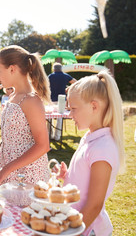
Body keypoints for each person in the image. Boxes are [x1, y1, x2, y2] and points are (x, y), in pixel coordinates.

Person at [56, 71, 124, 235]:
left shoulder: (103, 148)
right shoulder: (91, 137)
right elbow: (86, 182)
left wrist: (72, 233)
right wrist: (68, 177)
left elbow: (94, 204)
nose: (70, 115)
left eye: (73, 109)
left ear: (94, 106)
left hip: (87, 229)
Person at [0, 45, 51, 187]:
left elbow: (43, 145)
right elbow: (13, 138)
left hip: (27, 176)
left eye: (0, 71)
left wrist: (6, 169)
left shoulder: (31, 101)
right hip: (10, 171)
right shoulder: (13, 96)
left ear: (12, 69)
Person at [48, 62, 77, 140]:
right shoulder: (66, 76)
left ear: (53, 69)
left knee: (49, 117)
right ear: (61, 69)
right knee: (60, 118)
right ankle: (57, 137)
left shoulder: (50, 76)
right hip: (62, 99)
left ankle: (50, 135)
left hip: (51, 98)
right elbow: (76, 82)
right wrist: (68, 88)